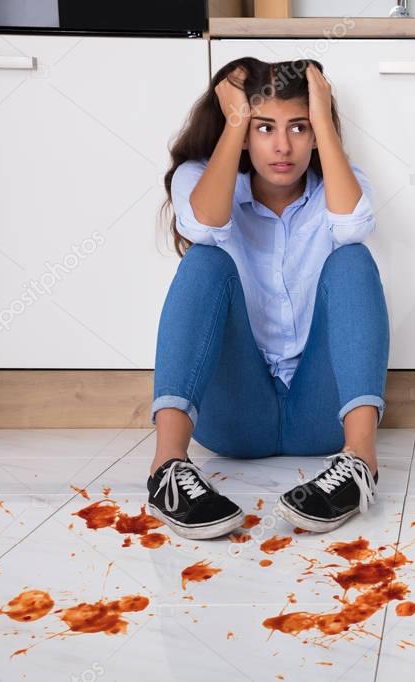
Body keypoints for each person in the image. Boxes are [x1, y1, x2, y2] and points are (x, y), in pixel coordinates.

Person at [147, 57, 390, 540]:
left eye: (298, 127)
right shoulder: (201, 178)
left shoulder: (340, 183)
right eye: (264, 128)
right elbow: (203, 226)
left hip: (321, 412)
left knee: (352, 258)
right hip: (236, 418)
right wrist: (235, 119)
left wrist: (323, 116)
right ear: (242, 132)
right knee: (206, 259)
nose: (282, 146)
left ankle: (360, 461)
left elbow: (354, 224)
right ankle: (167, 470)